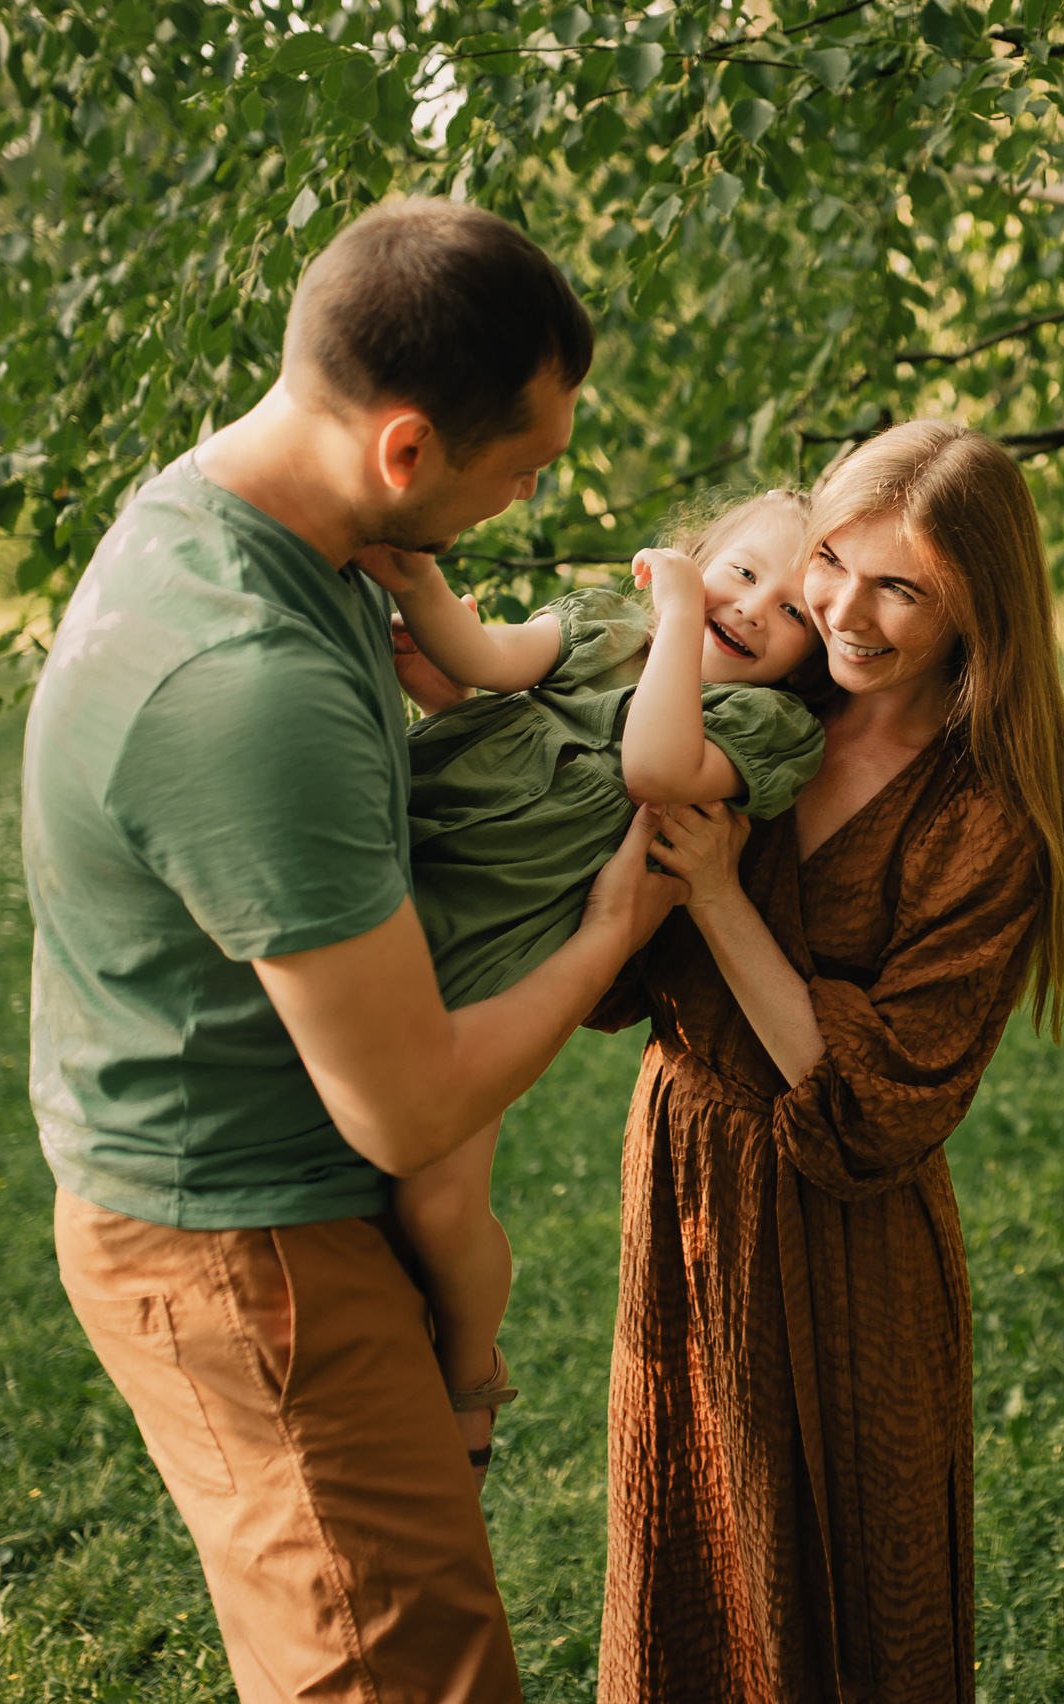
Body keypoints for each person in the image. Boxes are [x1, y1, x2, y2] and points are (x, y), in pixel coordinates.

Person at [22, 198, 680, 1704]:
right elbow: (410, 1101)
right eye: (518, 472)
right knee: (401, 1674)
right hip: (248, 1251)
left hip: (238, 1205)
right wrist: (612, 929)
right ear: (403, 448)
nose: (520, 504)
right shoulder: (245, 686)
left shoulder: (230, 523)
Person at [593, 420, 1064, 1702]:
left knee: (857, 1577)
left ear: (979, 606)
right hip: (690, 1183)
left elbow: (876, 1104)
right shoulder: (764, 707)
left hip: (845, 1233)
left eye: (901, 589)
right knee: (691, 1549)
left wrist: (715, 892)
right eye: (831, 565)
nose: (846, 613)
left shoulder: (984, 817)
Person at [358, 490, 829, 1477]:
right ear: (697, 558)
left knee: (440, 1202)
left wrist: (683, 620)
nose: (750, 609)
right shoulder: (604, 621)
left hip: (499, 954)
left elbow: (655, 768)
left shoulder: (767, 724)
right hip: (400, 861)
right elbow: (482, 657)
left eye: (794, 611)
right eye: (742, 573)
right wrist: (420, 579)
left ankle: (468, 1367)